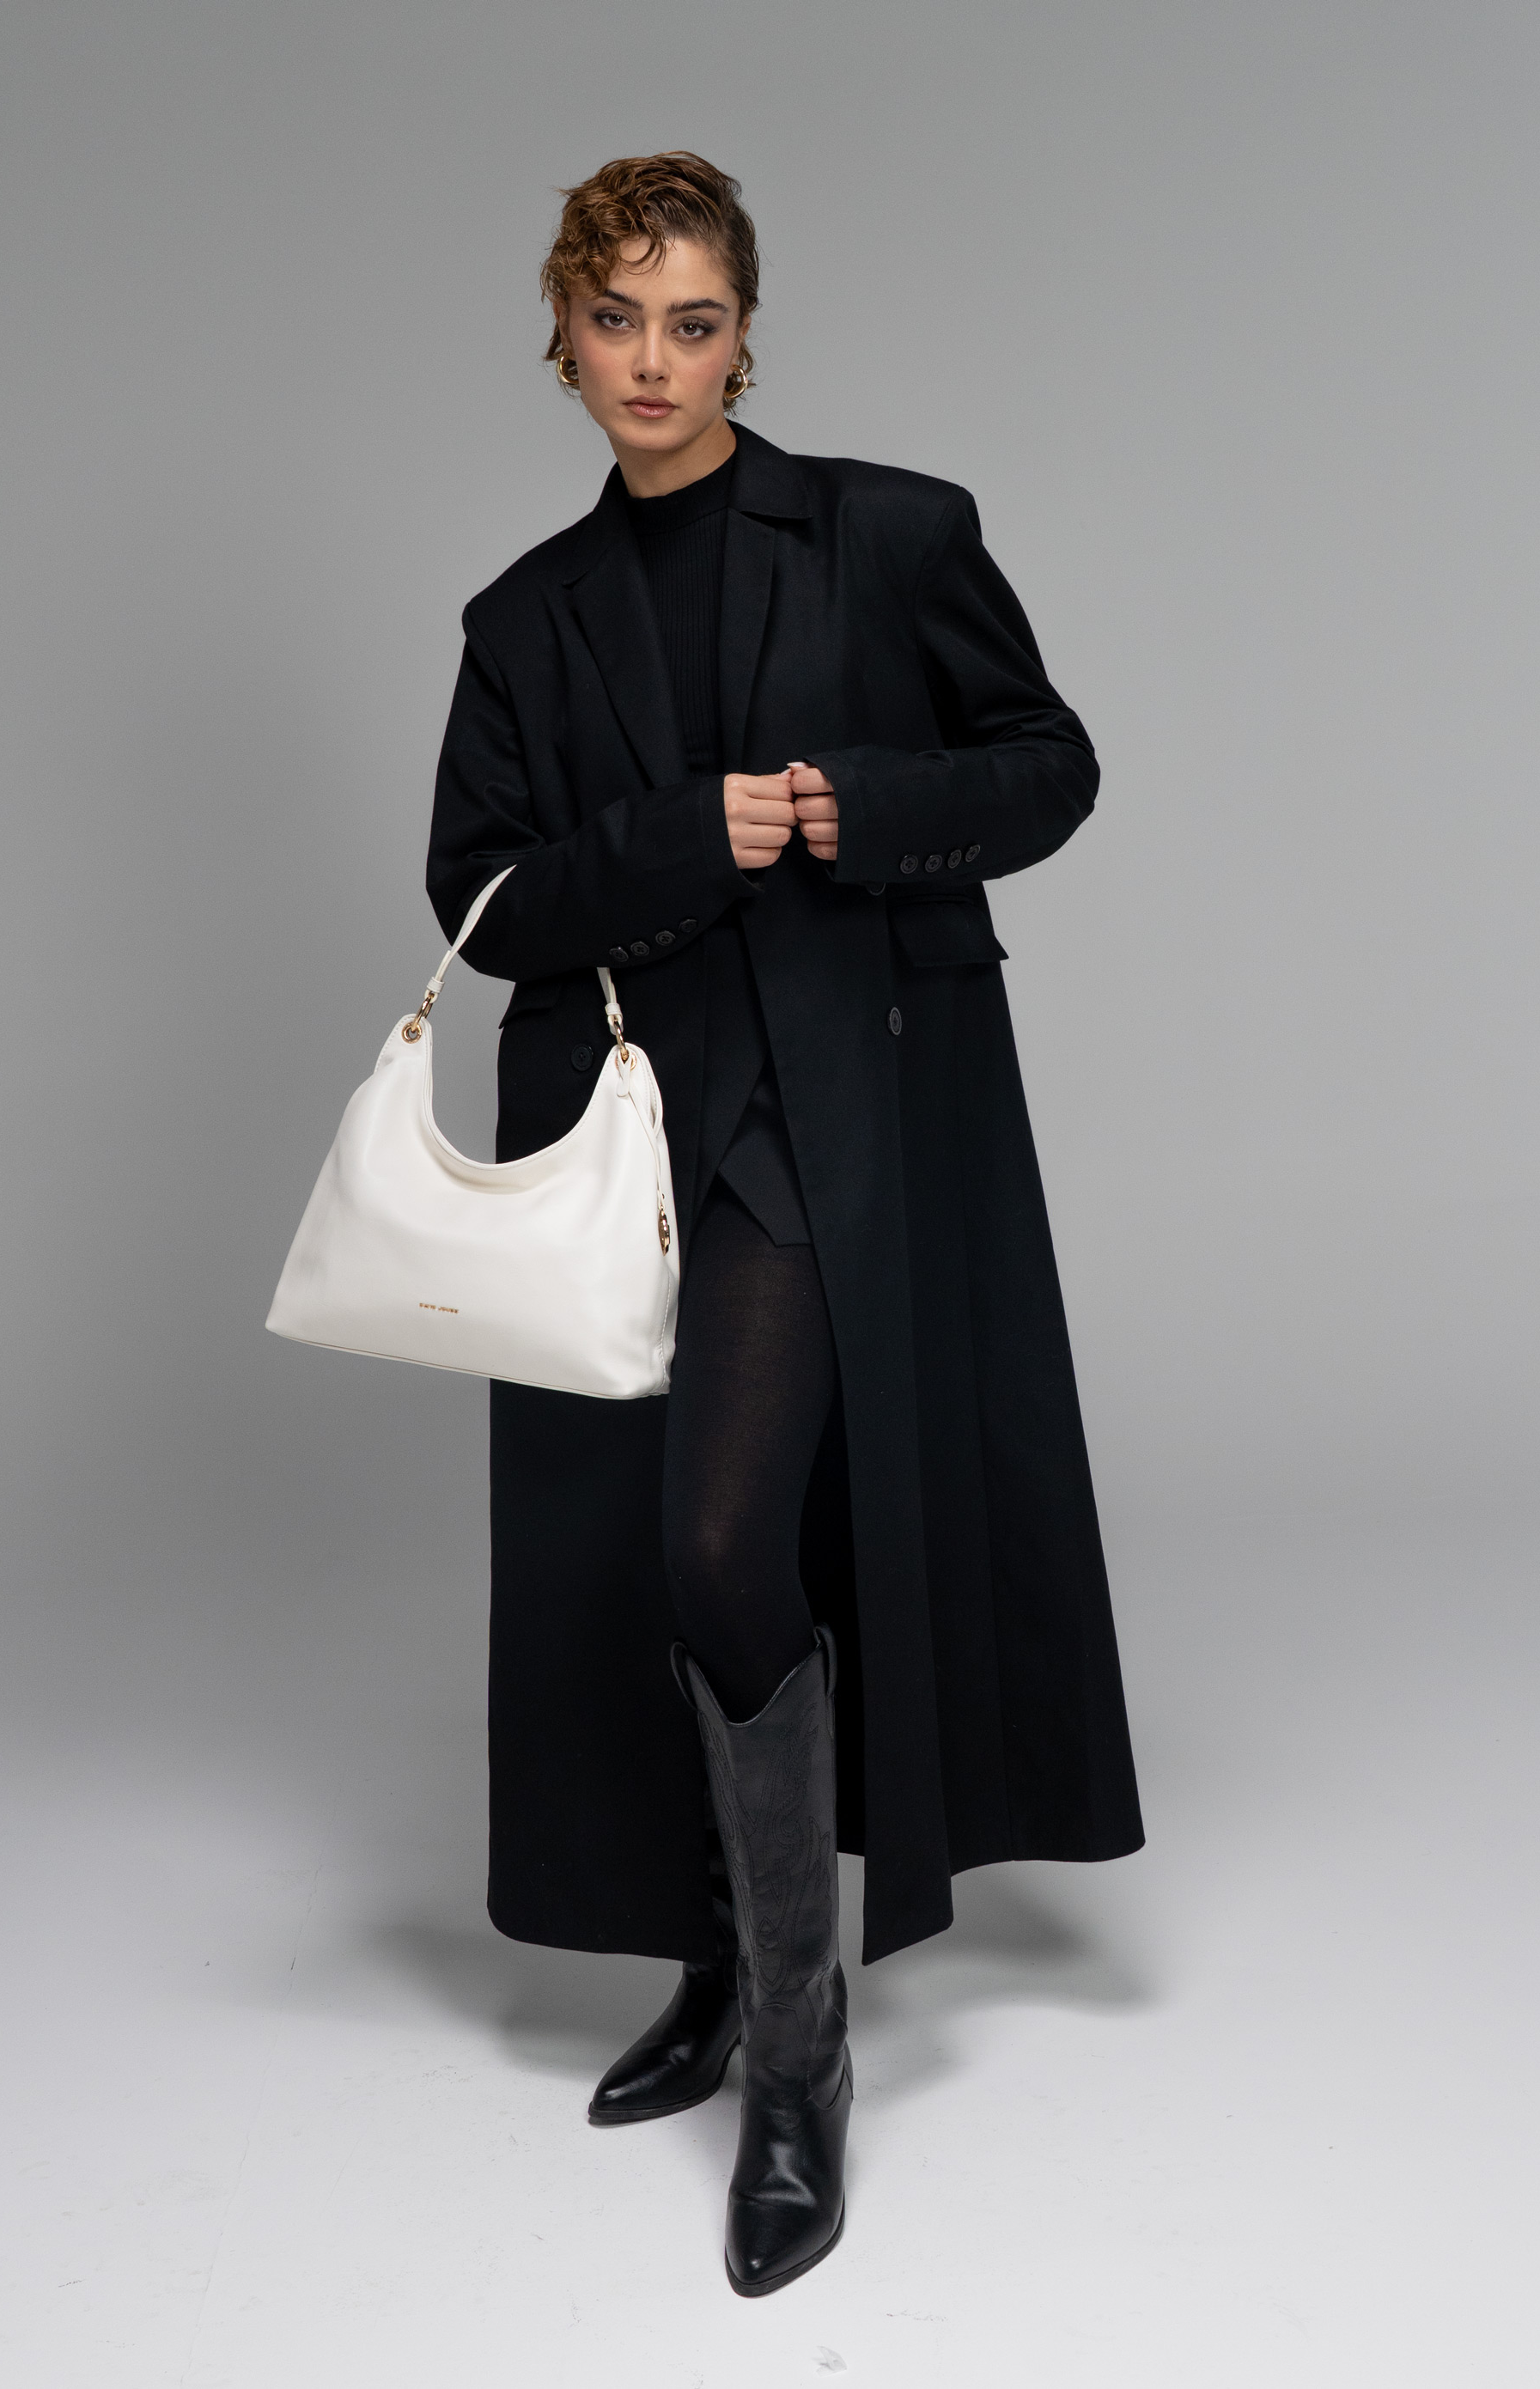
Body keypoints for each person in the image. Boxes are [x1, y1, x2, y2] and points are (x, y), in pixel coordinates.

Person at [426, 151, 1142, 2297]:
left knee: (728, 1538)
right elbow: (484, 900)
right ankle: (729, 1956)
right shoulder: (522, 619)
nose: (653, 361)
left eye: (694, 321)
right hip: (614, 1137)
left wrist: (864, 804)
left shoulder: (888, 531)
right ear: (561, 333)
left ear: (747, 335)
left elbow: (1051, 761)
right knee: (629, 1549)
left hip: (829, 1123)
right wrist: (682, 835)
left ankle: (803, 2055)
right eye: (615, 319)